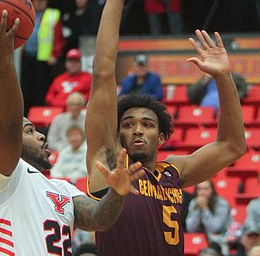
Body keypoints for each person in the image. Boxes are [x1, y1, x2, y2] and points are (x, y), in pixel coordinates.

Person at [0, 9, 144, 255]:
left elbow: (99, 219)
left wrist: (117, 192)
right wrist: (4, 62)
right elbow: (8, 127)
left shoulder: (62, 190)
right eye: (30, 131)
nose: (42, 135)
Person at [85, 0, 246, 255]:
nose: (137, 129)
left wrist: (224, 77)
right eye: (128, 124)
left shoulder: (173, 172)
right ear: (117, 135)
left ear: (161, 137)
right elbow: (103, 71)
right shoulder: (107, 161)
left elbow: (232, 146)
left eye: (147, 124)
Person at [20, 0, 66, 116]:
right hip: (26, 57)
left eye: (41, 1)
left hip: (43, 59)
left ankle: (40, 115)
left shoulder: (52, 14)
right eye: (36, 1)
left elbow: (59, 37)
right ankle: (25, 115)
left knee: (41, 89)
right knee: (25, 88)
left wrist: (55, 54)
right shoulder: (26, 13)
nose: (39, 3)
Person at [186, 179, 232, 254]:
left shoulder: (221, 204)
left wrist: (204, 209)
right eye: (199, 189)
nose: (202, 192)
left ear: (212, 190)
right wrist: (197, 209)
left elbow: (214, 228)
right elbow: (190, 228)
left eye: (206, 189)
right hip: (199, 238)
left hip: (220, 239)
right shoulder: (194, 203)